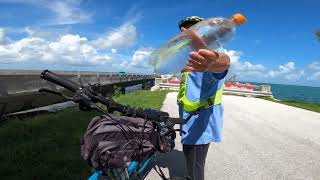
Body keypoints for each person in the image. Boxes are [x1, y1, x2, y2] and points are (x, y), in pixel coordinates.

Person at [176, 16, 230, 180]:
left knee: (197, 164)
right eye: (185, 31)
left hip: (201, 121)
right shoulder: (188, 58)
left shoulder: (209, 55)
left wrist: (216, 62)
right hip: (187, 118)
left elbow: (222, 64)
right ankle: (188, 176)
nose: (189, 35)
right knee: (188, 154)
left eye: (195, 30)